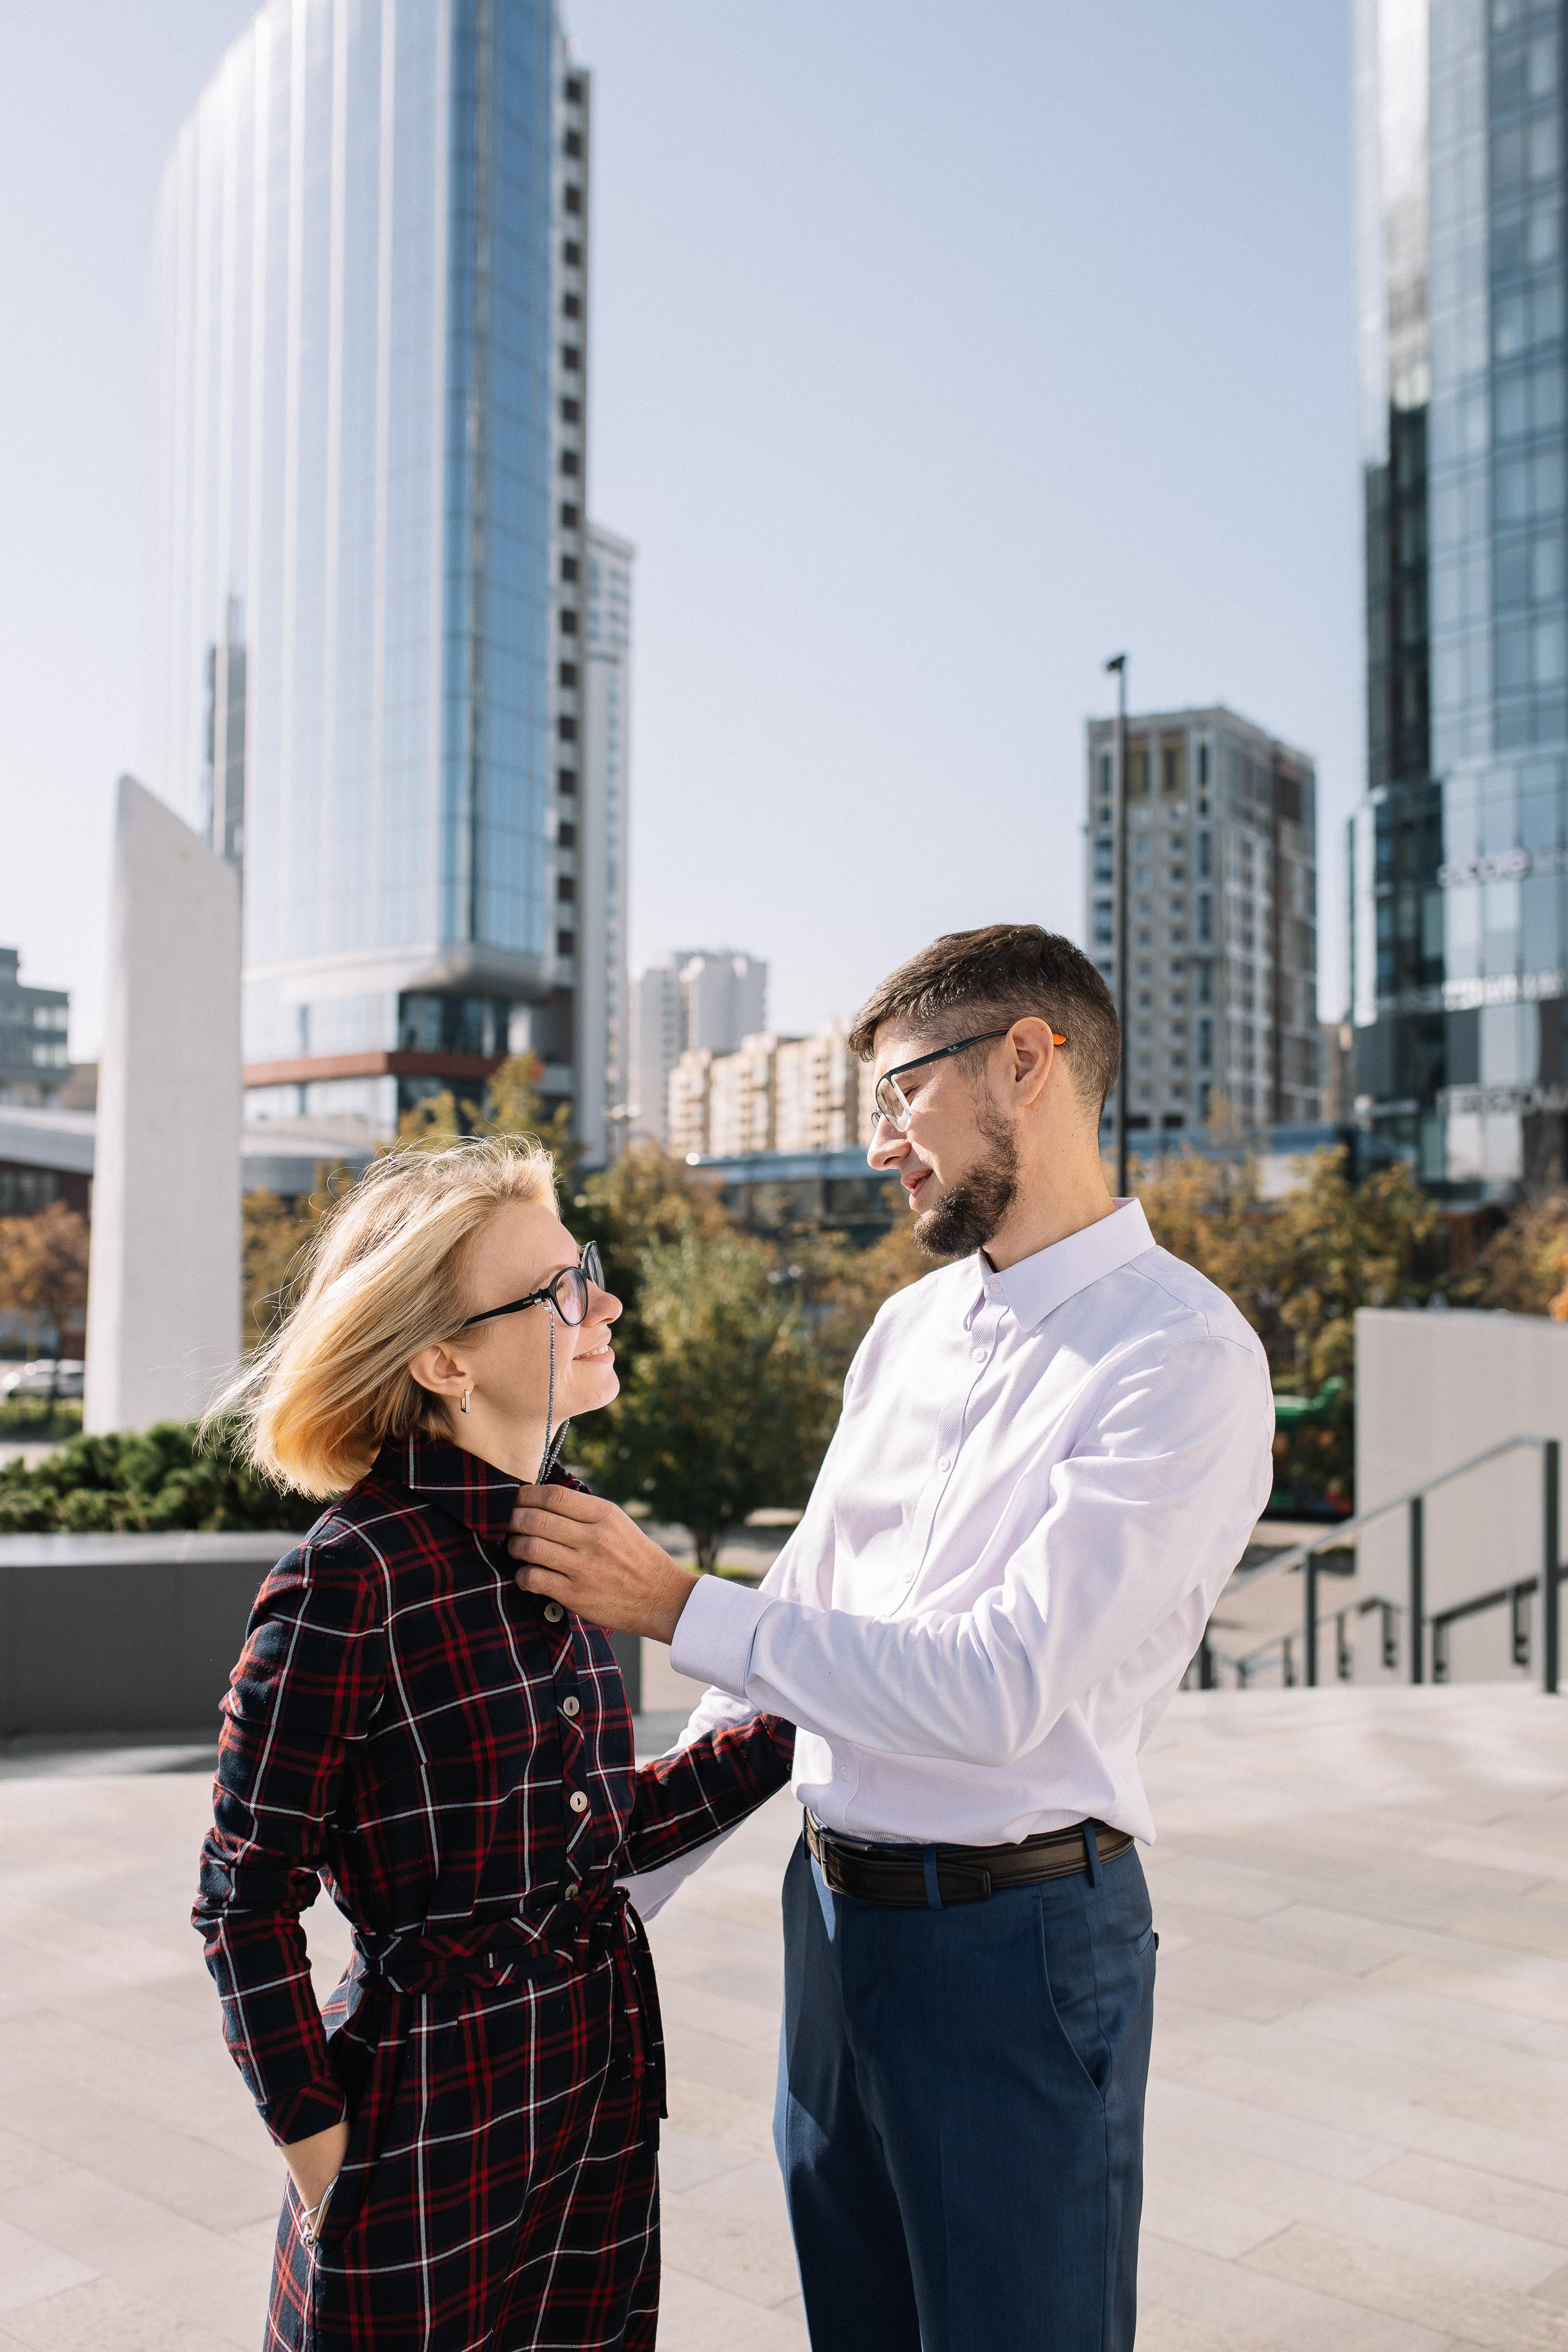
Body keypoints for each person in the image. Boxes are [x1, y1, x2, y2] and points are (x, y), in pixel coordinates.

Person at [505, 924, 1275, 2352]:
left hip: (1017, 1948)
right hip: (832, 1922)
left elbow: (997, 1692)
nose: (878, 1144)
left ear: (1027, 1062)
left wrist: (670, 1600)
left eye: (899, 1095)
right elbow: (787, 1652)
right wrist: (597, 1901)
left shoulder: (1181, 1356)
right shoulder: (905, 1331)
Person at [193, 1138, 793, 2352]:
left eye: (592, 1269)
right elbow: (241, 1899)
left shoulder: (565, 1543)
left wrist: (817, 1701)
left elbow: (591, 1833)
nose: (606, 1303)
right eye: (561, 1288)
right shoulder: (346, 1577)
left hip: (597, 2102)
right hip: (424, 2137)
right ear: (443, 1359)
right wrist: (323, 2152)